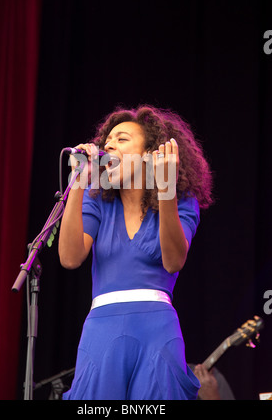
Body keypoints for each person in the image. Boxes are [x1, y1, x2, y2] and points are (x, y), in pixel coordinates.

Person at [58, 104, 213, 400]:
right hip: (101, 329)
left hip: (156, 329)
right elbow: (70, 257)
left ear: (148, 154)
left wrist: (166, 189)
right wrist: (78, 182)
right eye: (108, 141)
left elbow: (173, 260)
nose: (109, 145)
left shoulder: (182, 201)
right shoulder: (98, 200)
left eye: (122, 139)